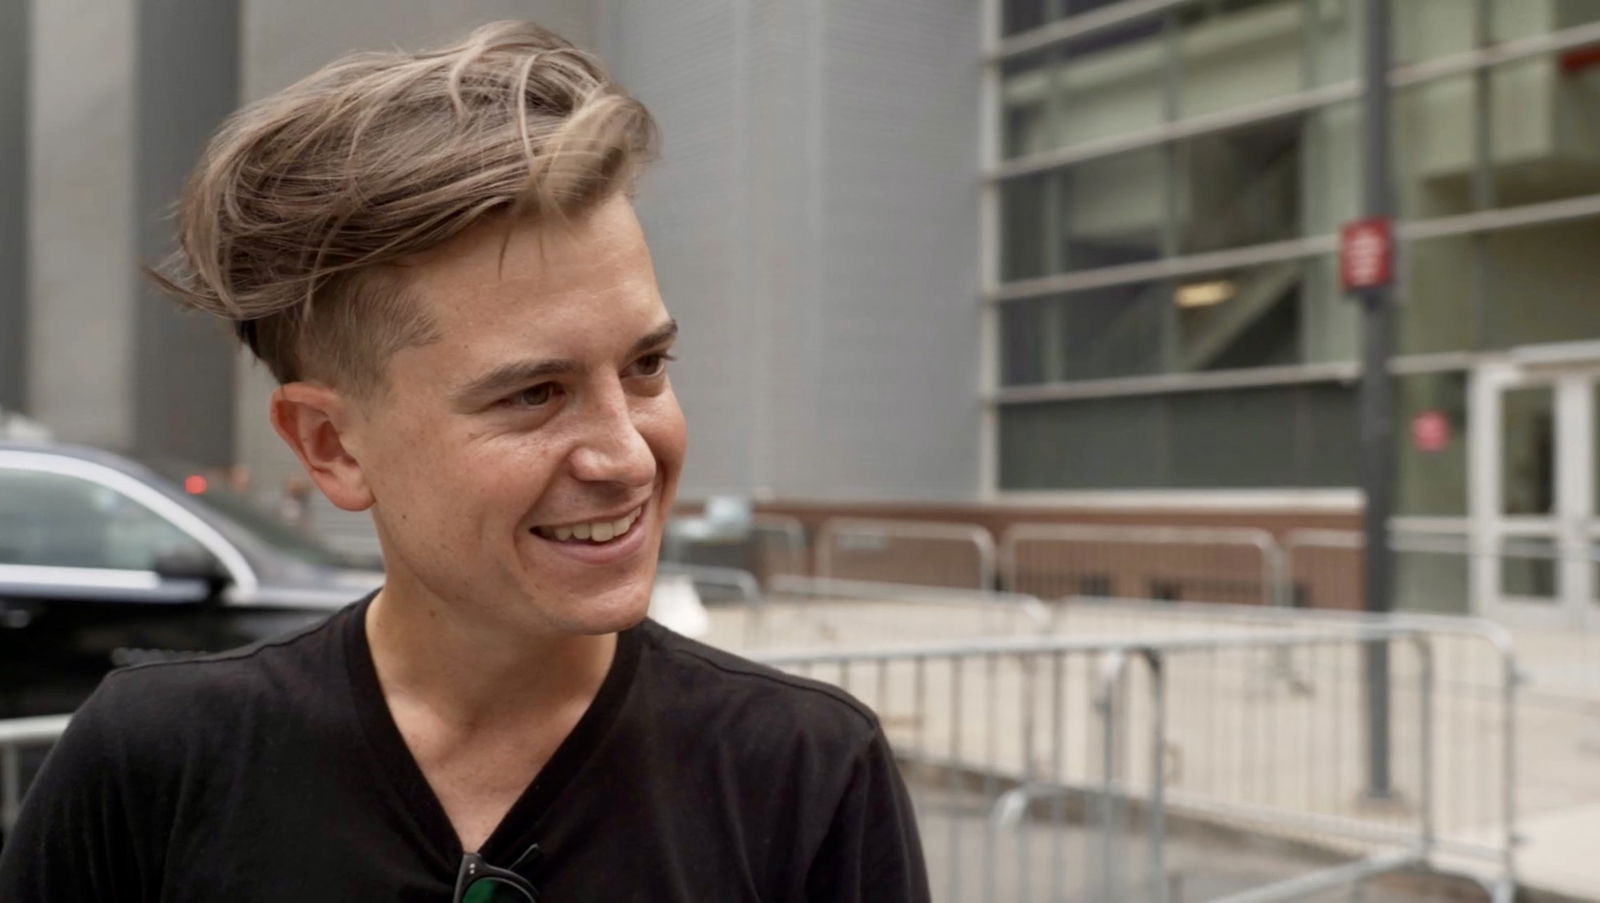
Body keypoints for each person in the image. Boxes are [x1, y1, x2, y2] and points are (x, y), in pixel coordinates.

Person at [0, 21, 928, 901]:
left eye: (645, 366)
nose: (627, 456)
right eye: (534, 394)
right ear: (331, 445)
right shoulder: (153, 765)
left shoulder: (804, 771)